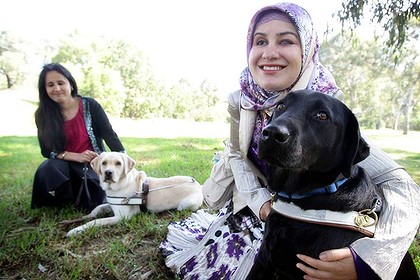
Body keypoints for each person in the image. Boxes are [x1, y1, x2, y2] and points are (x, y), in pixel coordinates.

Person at [160, 2, 420, 280]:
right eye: (260, 41)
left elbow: (401, 184)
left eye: (285, 41)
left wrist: (369, 260)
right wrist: (260, 202)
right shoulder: (244, 99)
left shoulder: (329, 110)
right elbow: (236, 154)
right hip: (267, 210)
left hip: (312, 214)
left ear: (306, 50)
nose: (269, 52)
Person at [31, 63, 125, 212]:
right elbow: (46, 150)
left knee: (94, 195)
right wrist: (75, 156)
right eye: (50, 85)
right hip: (63, 164)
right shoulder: (42, 114)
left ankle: (76, 195)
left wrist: (123, 159)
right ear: (45, 89)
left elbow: (109, 134)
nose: (56, 89)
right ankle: (62, 197)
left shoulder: (90, 105)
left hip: (92, 163)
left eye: (61, 83)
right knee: (47, 169)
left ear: (71, 84)